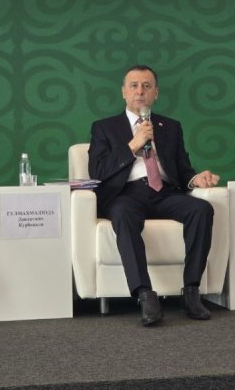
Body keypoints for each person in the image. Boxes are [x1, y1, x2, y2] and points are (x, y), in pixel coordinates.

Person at [88, 65, 220, 326]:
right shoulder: (104, 127)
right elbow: (98, 171)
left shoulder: (170, 126)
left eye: (146, 86)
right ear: (124, 92)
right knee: (123, 214)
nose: (140, 91)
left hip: (164, 193)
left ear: (155, 93)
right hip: (126, 194)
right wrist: (132, 145)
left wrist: (196, 179)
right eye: (134, 86)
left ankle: (191, 291)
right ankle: (145, 295)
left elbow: (183, 169)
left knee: (201, 209)